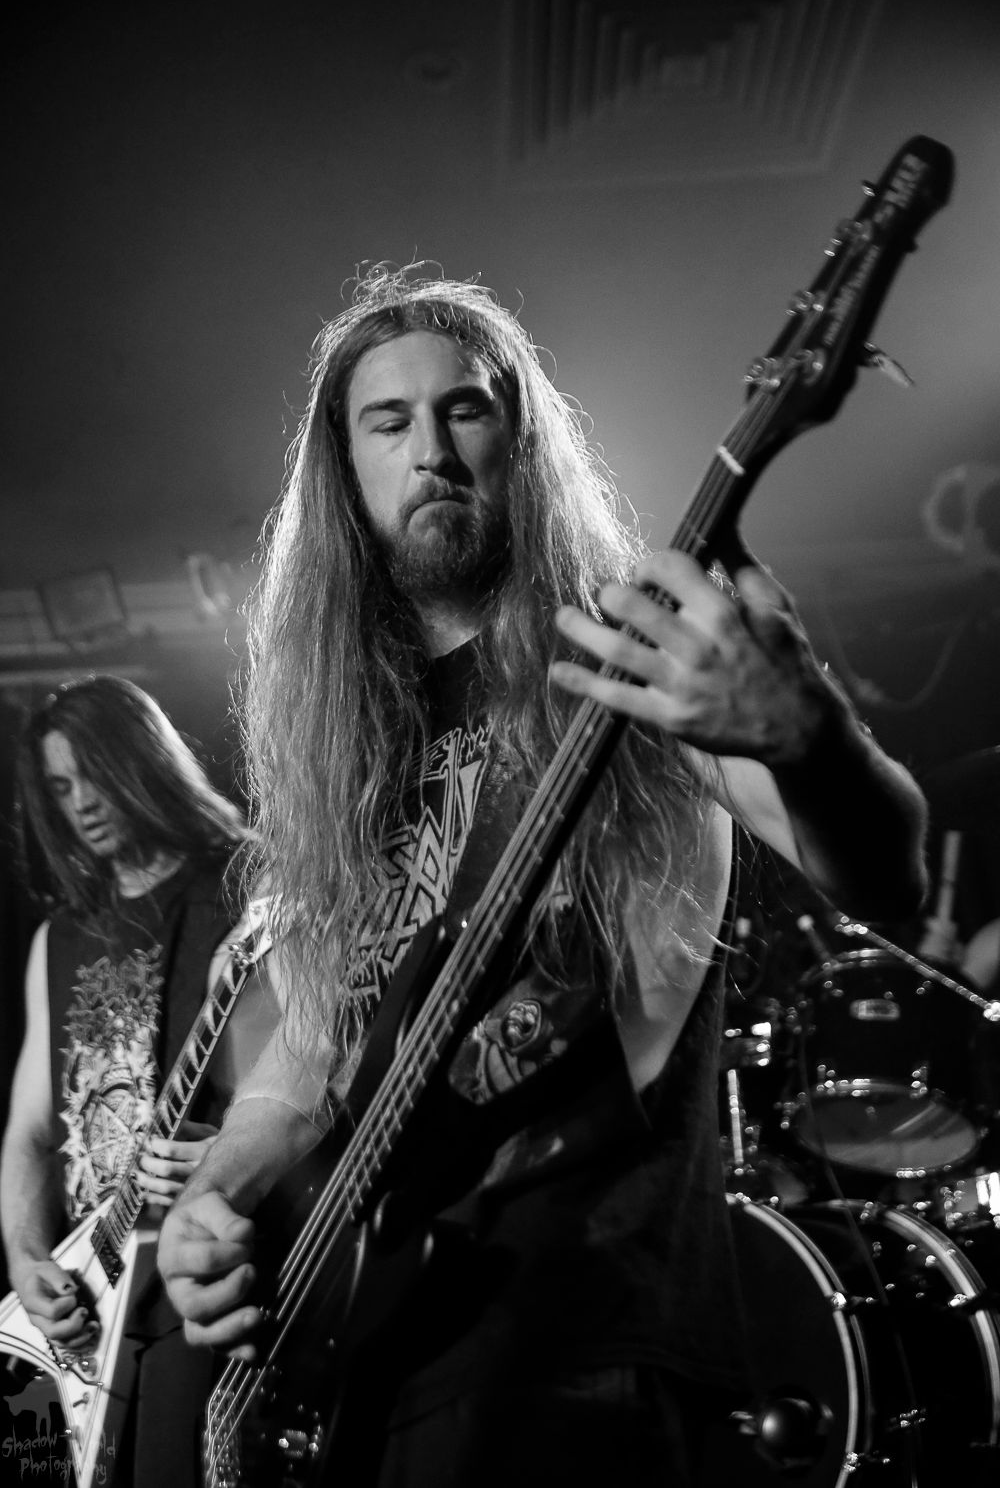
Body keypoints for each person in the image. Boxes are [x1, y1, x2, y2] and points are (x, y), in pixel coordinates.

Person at [156, 266, 928, 1487]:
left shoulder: (629, 651)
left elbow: (891, 878)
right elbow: (310, 1050)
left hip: (584, 1338)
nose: (432, 452)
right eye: (388, 422)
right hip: (370, 1364)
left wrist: (809, 738)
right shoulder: (346, 742)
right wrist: (215, 1200)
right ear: (345, 474)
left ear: (520, 440)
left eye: (464, 409)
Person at [0, 676, 273, 1488]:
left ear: (143, 758)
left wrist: (233, 1152)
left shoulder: (247, 885)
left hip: (198, 1283)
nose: (81, 802)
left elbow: (310, 1071)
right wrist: (26, 1258)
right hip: (87, 1307)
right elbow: (30, 1132)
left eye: (93, 771)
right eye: (60, 787)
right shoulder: (59, 939)